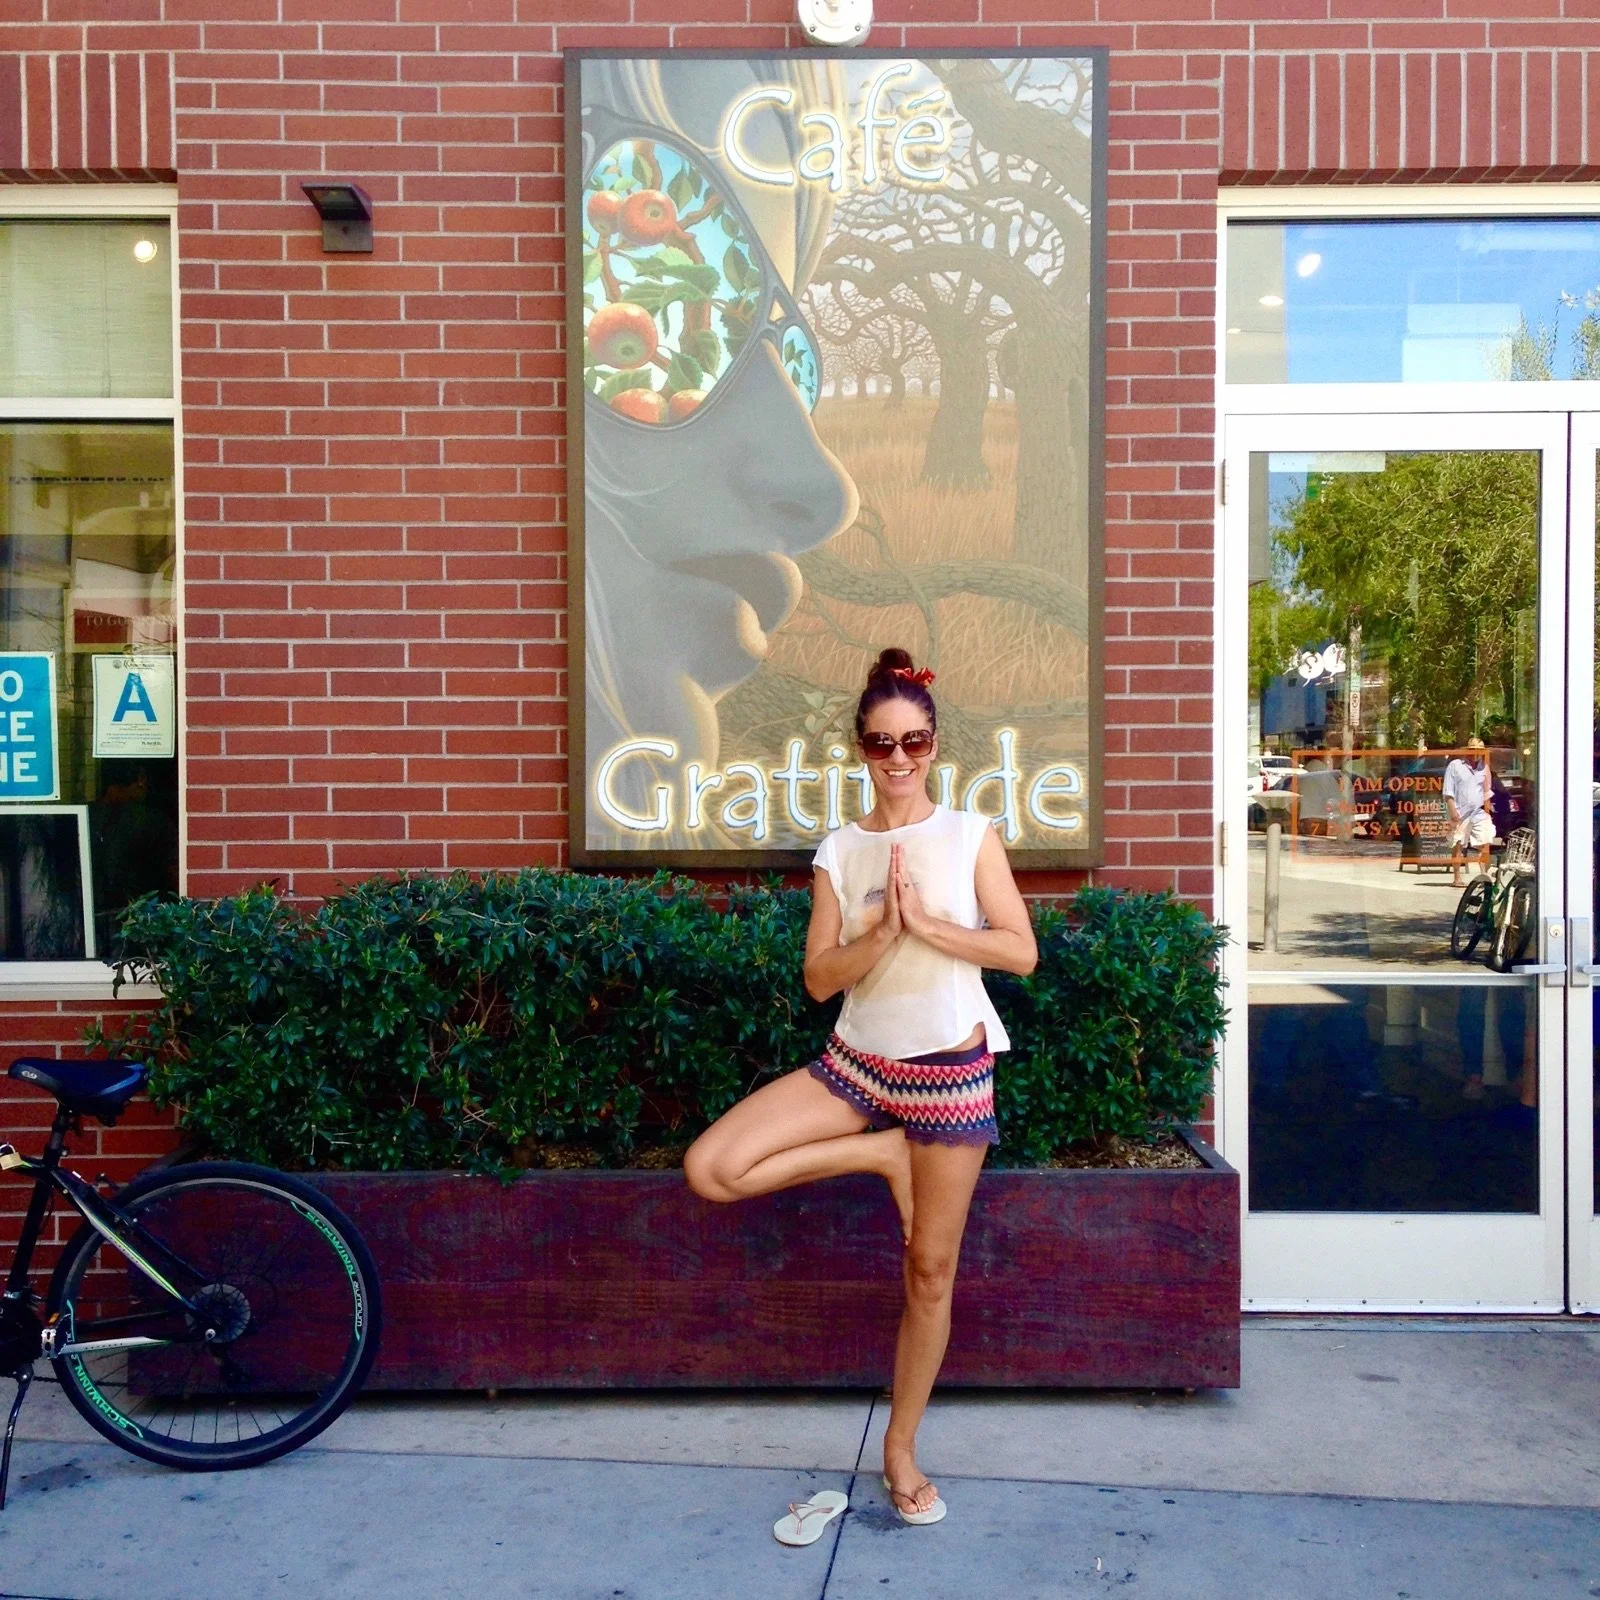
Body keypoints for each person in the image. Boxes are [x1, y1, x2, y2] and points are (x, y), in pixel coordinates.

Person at [684, 648, 1038, 1538]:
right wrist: (880, 933)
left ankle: (901, 1452)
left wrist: (931, 927)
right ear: (860, 749)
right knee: (711, 1169)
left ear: (934, 743)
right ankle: (880, 1153)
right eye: (882, 744)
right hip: (856, 1065)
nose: (899, 759)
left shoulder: (968, 835)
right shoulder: (840, 850)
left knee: (929, 1269)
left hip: (950, 1076)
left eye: (914, 740)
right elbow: (817, 979)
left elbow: (1020, 951)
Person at [1443, 736, 1496, 887]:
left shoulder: (1484, 768)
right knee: (1458, 843)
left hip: (1478, 810)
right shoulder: (1455, 766)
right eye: (1473, 750)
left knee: (1485, 840)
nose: (1476, 754)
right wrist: (1453, 811)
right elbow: (1448, 791)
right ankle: (1457, 878)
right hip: (1459, 810)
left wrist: (1488, 809)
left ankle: (1484, 876)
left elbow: (1487, 791)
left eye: (1479, 751)